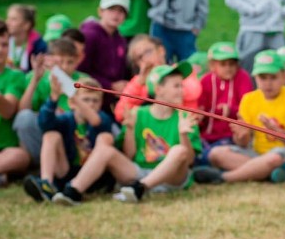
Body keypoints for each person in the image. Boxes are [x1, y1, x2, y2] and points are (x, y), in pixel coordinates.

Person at [52, 62, 200, 205]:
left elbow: (189, 161)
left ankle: (141, 188)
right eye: (176, 86)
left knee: (179, 150)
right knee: (105, 150)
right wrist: (129, 130)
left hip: (172, 178)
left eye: (182, 86)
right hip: (139, 173)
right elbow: (129, 155)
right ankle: (73, 191)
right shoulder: (138, 114)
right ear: (158, 89)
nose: (182, 90)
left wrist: (183, 135)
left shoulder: (185, 116)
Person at [198, 50, 285, 184]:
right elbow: (243, 143)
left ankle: (224, 177)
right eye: (263, 78)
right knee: (216, 154)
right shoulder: (249, 99)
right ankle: (263, 172)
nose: (268, 83)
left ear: (283, 76)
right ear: (255, 78)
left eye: (273, 77)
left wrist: (276, 131)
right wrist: (241, 136)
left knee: (274, 158)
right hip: (257, 153)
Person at [22, 77, 115, 202]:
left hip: (94, 177)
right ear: (71, 104)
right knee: (51, 135)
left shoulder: (104, 118)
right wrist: (53, 99)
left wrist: (75, 97)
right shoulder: (66, 119)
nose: (91, 104)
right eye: (86, 100)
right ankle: (46, 184)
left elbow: (96, 121)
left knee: (105, 137)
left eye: (95, 100)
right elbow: (45, 123)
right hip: (66, 171)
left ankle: (75, 188)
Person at [14, 38, 86, 169]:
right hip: (45, 134)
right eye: (59, 62)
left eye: (69, 62)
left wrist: (60, 77)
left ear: (77, 61)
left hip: (73, 137)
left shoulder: (83, 80)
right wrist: (35, 79)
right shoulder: (36, 76)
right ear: (50, 59)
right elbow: (23, 110)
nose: (64, 67)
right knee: (24, 118)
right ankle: (35, 164)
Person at [115, 35, 202, 123]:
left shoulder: (177, 71)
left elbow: (194, 91)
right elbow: (120, 113)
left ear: (161, 51)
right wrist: (139, 84)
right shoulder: (139, 81)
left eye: (148, 52)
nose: (145, 59)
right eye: (139, 58)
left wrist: (166, 85)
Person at [196, 42, 253, 164]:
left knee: (222, 149)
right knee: (196, 147)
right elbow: (200, 107)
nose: (228, 68)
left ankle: (209, 162)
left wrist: (231, 110)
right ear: (212, 66)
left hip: (230, 136)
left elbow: (248, 106)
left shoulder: (243, 78)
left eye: (232, 64)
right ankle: (209, 162)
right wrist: (199, 116)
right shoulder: (206, 80)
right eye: (223, 64)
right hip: (206, 135)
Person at [78, 0, 131, 95]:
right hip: (90, 94)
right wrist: (110, 85)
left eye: (121, 11)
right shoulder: (89, 36)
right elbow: (81, 71)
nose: (116, 14)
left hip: (113, 96)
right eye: (111, 9)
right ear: (100, 11)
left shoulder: (121, 39)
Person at [0, 19, 29, 186]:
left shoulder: (15, 76)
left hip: (5, 150)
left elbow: (8, 110)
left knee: (20, 157)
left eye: (4, 45)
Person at [5, 4, 46, 73]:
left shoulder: (39, 46)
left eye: (13, 19)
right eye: (8, 18)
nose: (7, 22)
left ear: (26, 25)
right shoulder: (2, 40)